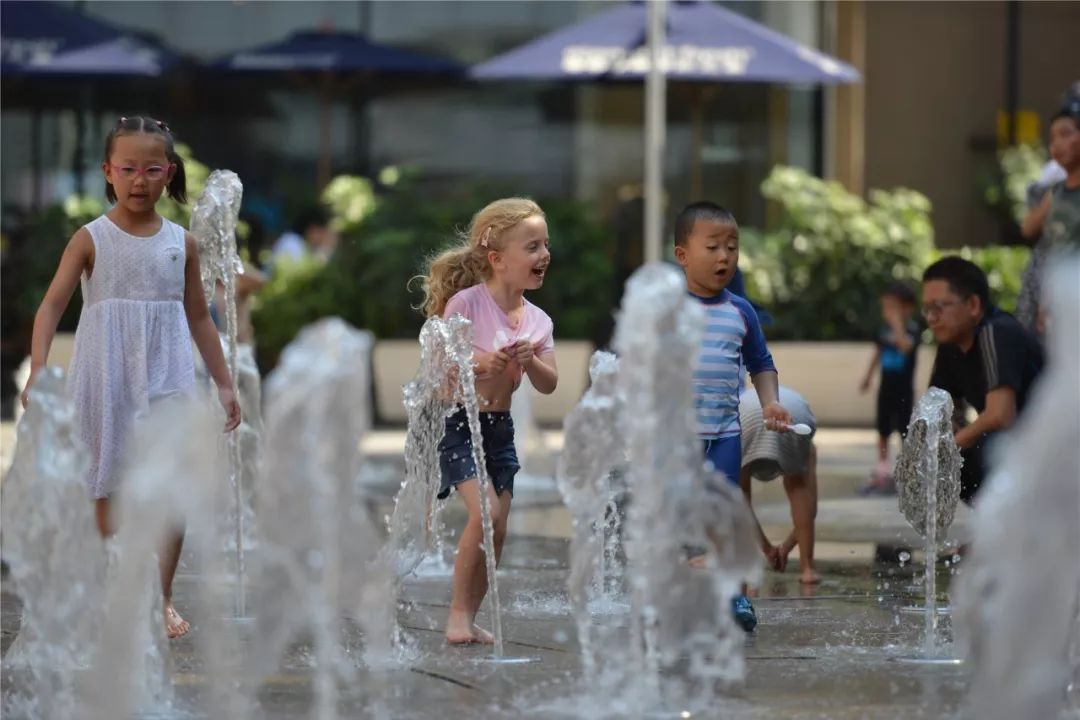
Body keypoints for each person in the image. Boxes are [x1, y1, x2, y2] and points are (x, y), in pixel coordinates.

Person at [21, 116, 242, 639]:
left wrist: (225, 383)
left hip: (168, 375)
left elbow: (199, 318)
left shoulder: (181, 243)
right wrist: (38, 369)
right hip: (105, 377)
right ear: (108, 172)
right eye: (128, 169)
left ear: (169, 173)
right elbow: (51, 306)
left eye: (151, 169)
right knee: (105, 484)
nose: (139, 180)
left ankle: (160, 598)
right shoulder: (90, 238)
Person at [417, 197, 557, 644]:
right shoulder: (465, 304)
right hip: (459, 424)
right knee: (486, 513)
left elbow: (550, 384)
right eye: (532, 247)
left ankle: (471, 617)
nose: (544, 254)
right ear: (497, 259)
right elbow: (439, 368)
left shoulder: (538, 321)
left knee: (498, 528)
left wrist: (531, 361)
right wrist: (482, 365)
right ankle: (456, 615)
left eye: (545, 245)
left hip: (499, 431)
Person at [674, 201, 793, 632]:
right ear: (683, 255)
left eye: (732, 247)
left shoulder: (741, 311)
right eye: (712, 247)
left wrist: (770, 401)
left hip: (724, 433)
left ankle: (735, 595)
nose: (724, 256)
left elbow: (762, 364)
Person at [921, 257, 1043, 504]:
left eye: (939, 307)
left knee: (982, 448)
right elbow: (938, 412)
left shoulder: (996, 331)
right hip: (1021, 447)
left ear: (974, 305)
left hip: (1053, 447)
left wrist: (952, 444)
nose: (932, 318)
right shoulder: (950, 345)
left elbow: (1001, 415)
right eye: (927, 309)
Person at [739, 386, 820, 585]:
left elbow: (740, 505)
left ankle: (743, 566)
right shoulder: (809, 449)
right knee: (799, 488)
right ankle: (807, 569)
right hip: (796, 414)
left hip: (745, 417)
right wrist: (784, 548)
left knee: (739, 496)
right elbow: (811, 508)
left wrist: (768, 550)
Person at [1018, 90, 1080, 334]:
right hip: (1054, 291)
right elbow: (1028, 228)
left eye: (1066, 134)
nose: (1056, 145)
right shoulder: (1054, 191)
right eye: (1052, 138)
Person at [859, 282, 920, 494]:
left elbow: (905, 347)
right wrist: (868, 377)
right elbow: (878, 352)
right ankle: (882, 466)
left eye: (892, 307)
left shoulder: (912, 329)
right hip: (886, 386)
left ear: (907, 308)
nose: (888, 312)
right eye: (885, 307)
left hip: (904, 389)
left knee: (905, 428)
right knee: (883, 426)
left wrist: (897, 325)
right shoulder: (883, 330)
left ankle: (907, 468)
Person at [269, 205, 337, 268]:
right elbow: (302, 273)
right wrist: (325, 251)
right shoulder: (291, 243)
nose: (323, 238)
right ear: (312, 230)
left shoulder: (305, 247)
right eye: (322, 232)